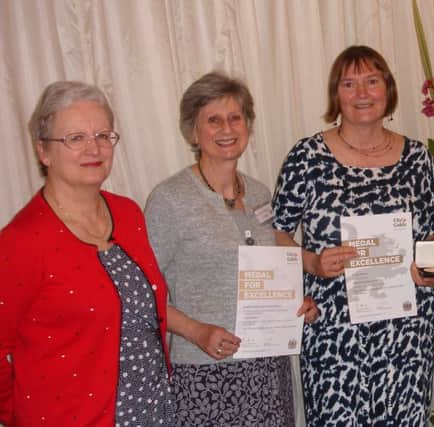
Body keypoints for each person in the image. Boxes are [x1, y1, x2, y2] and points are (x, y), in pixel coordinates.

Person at [272, 45, 434, 426]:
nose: (362, 93)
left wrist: (431, 269)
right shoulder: (306, 157)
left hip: (406, 332)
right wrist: (312, 263)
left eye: (372, 81)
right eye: (349, 84)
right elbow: (279, 233)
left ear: (388, 89)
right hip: (334, 332)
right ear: (337, 94)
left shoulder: (418, 158)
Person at [144, 71, 319, 426]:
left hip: (270, 370)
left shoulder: (258, 193)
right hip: (206, 374)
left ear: (248, 126)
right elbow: (145, 290)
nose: (226, 128)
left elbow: (270, 267)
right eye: (213, 120)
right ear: (194, 131)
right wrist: (196, 331)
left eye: (235, 117)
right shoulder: (170, 199)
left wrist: (296, 302)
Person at [0, 81, 174, 426]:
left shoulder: (128, 214)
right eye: (75, 138)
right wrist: (20, 415)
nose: (93, 149)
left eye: (103, 136)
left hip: (152, 409)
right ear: (43, 151)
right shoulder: (21, 241)